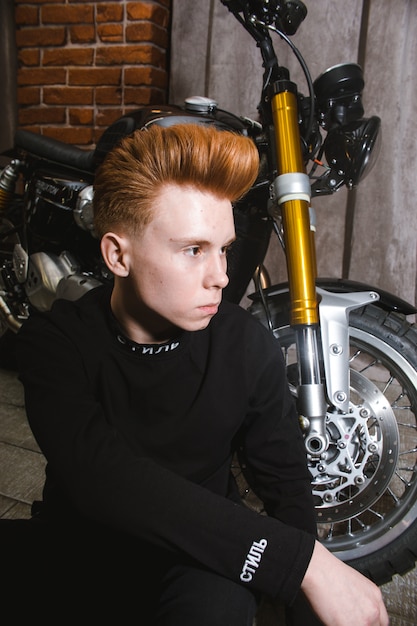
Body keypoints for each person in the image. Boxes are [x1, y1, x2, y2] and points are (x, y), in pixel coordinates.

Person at [10, 123, 388, 626]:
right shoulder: (56, 344)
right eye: (193, 250)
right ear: (117, 255)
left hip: (203, 564)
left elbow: (288, 492)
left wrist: (305, 589)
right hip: (79, 550)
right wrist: (298, 565)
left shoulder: (245, 344)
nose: (221, 276)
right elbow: (102, 479)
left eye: (224, 249)